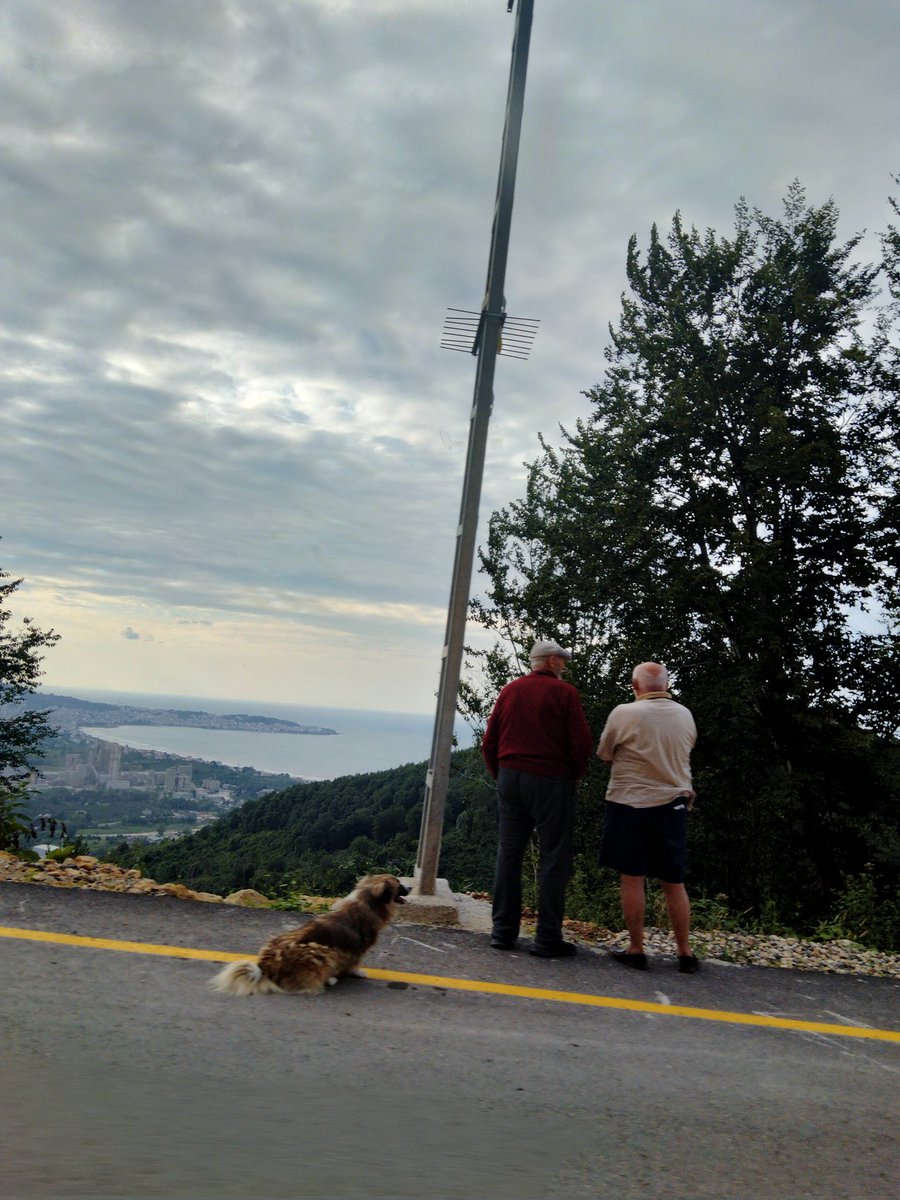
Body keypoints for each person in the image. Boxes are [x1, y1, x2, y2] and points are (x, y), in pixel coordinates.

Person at [482, 639, 594, 958]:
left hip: (510, 777)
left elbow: (489, 740)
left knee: (509, 853)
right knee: (554, 856)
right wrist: (574, 776)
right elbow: (581, 743)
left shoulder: (510, 690)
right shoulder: (564, 692)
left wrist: (501, 774)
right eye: (562, 660)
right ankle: (546, 939)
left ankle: (502, 933)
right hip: (550, 779)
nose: (564, 666)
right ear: (551, 662)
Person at [597, 661, 699, 973]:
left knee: (632, 877)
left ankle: (637, 948)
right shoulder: (685, 715)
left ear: (635, 686)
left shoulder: (624, 713)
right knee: (674, 882)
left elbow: (604, 753)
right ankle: (685, 952)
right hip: (673, 805)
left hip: (630, 804)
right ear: (666, 686)